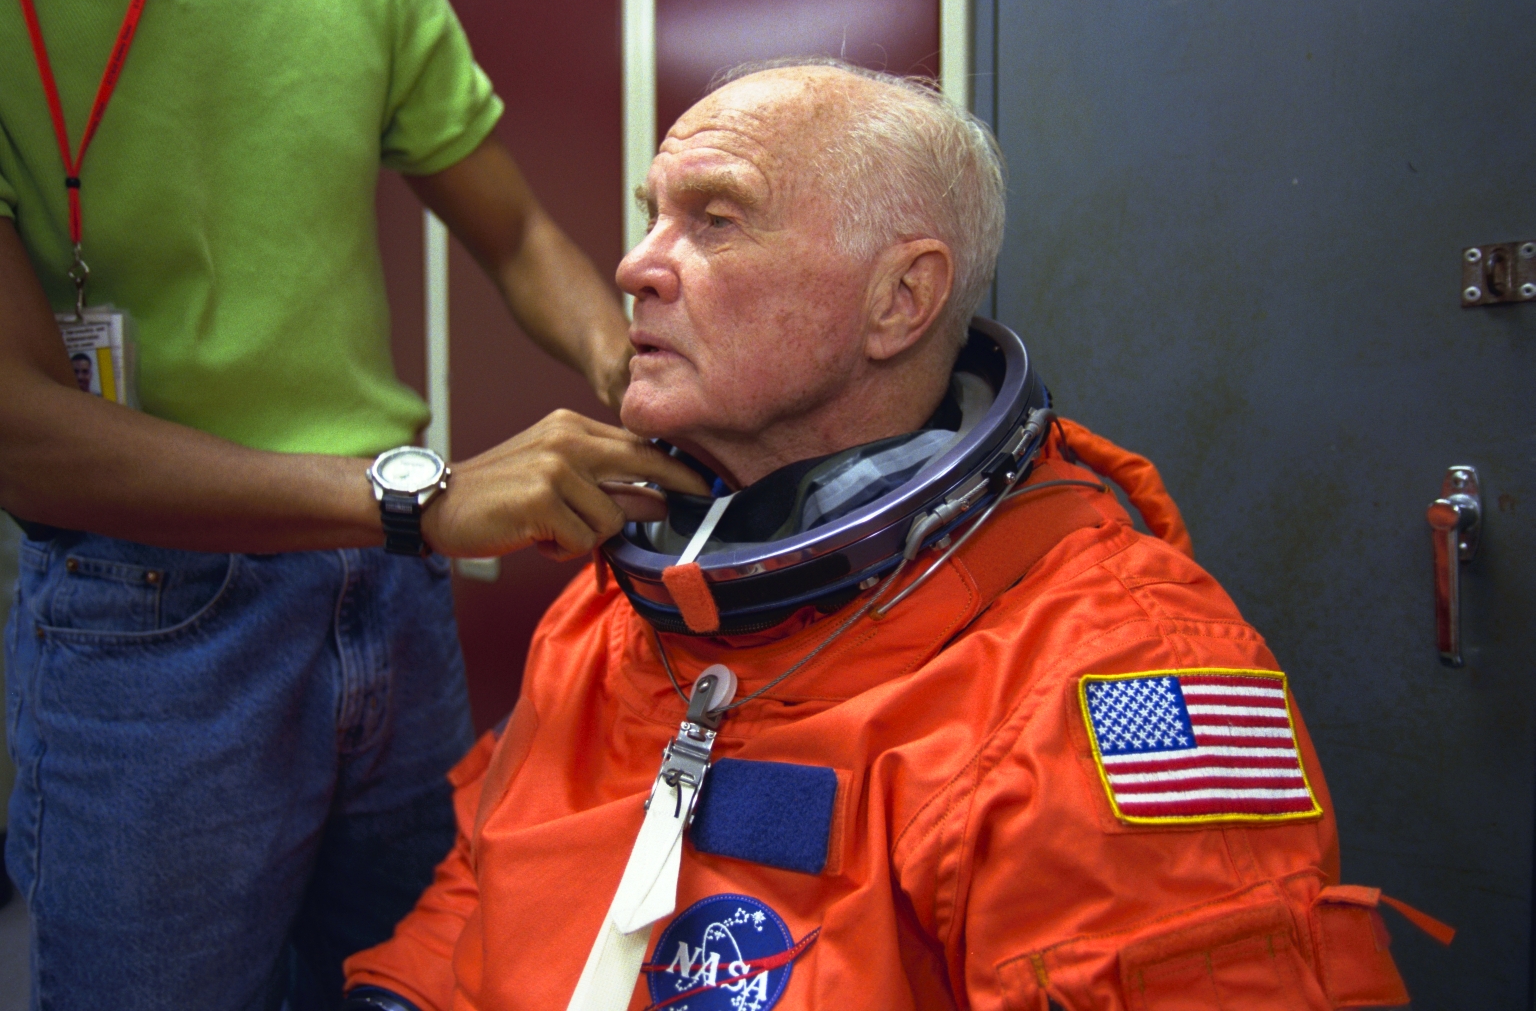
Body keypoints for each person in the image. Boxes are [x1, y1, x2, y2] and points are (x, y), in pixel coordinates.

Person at [343, 61, 1437, 1010]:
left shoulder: (1117, 665)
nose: (634, 266)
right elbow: (489, 883)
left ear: (900, 300)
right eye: (652, 214)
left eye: (715, 220)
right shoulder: (627, 595)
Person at [0, 0, 702, 1009]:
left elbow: (514, 234)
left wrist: (631, 370)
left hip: (390, 597)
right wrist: (413, 499)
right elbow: (20, 434)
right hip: (145, 617)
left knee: (418, 977)